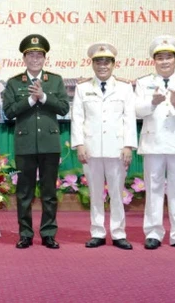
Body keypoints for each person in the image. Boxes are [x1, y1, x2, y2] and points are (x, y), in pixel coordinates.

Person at [2, 34, 70, 249]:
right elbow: (9, 112)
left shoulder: (55, 80)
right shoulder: (14, 83)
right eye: (30, 55)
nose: (35, 59)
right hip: (25, 145)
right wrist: (31, 100)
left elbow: (63, 108)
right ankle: (25, 234)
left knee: (49, 192)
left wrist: (44, 97)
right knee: (24, 193)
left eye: (39, 55)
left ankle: (49, 233)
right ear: (24, 58)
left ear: (44, 58)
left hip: (50, 144)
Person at [135, 35, 175, 250]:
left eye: (168, 57)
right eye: (160, 58)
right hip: (153, 142)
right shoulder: (144, 83)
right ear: (154, 61)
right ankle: (153, 233)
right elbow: (136, 111)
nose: (164, 62)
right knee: (153, 189)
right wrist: (152, 104)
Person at [71, 42, 136, 250]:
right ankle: (97, 232)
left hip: (117, 149)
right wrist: (79, 144)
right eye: (98, 62)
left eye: (106, 62)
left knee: (117, 193)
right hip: (91, 150)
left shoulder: (125, 88)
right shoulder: (82, 89)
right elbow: (77, 119)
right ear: (92, 65)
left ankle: (118, 233)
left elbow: (129, 119)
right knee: (95, 194)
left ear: (113, 64)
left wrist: (128, 146)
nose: (102, 66)